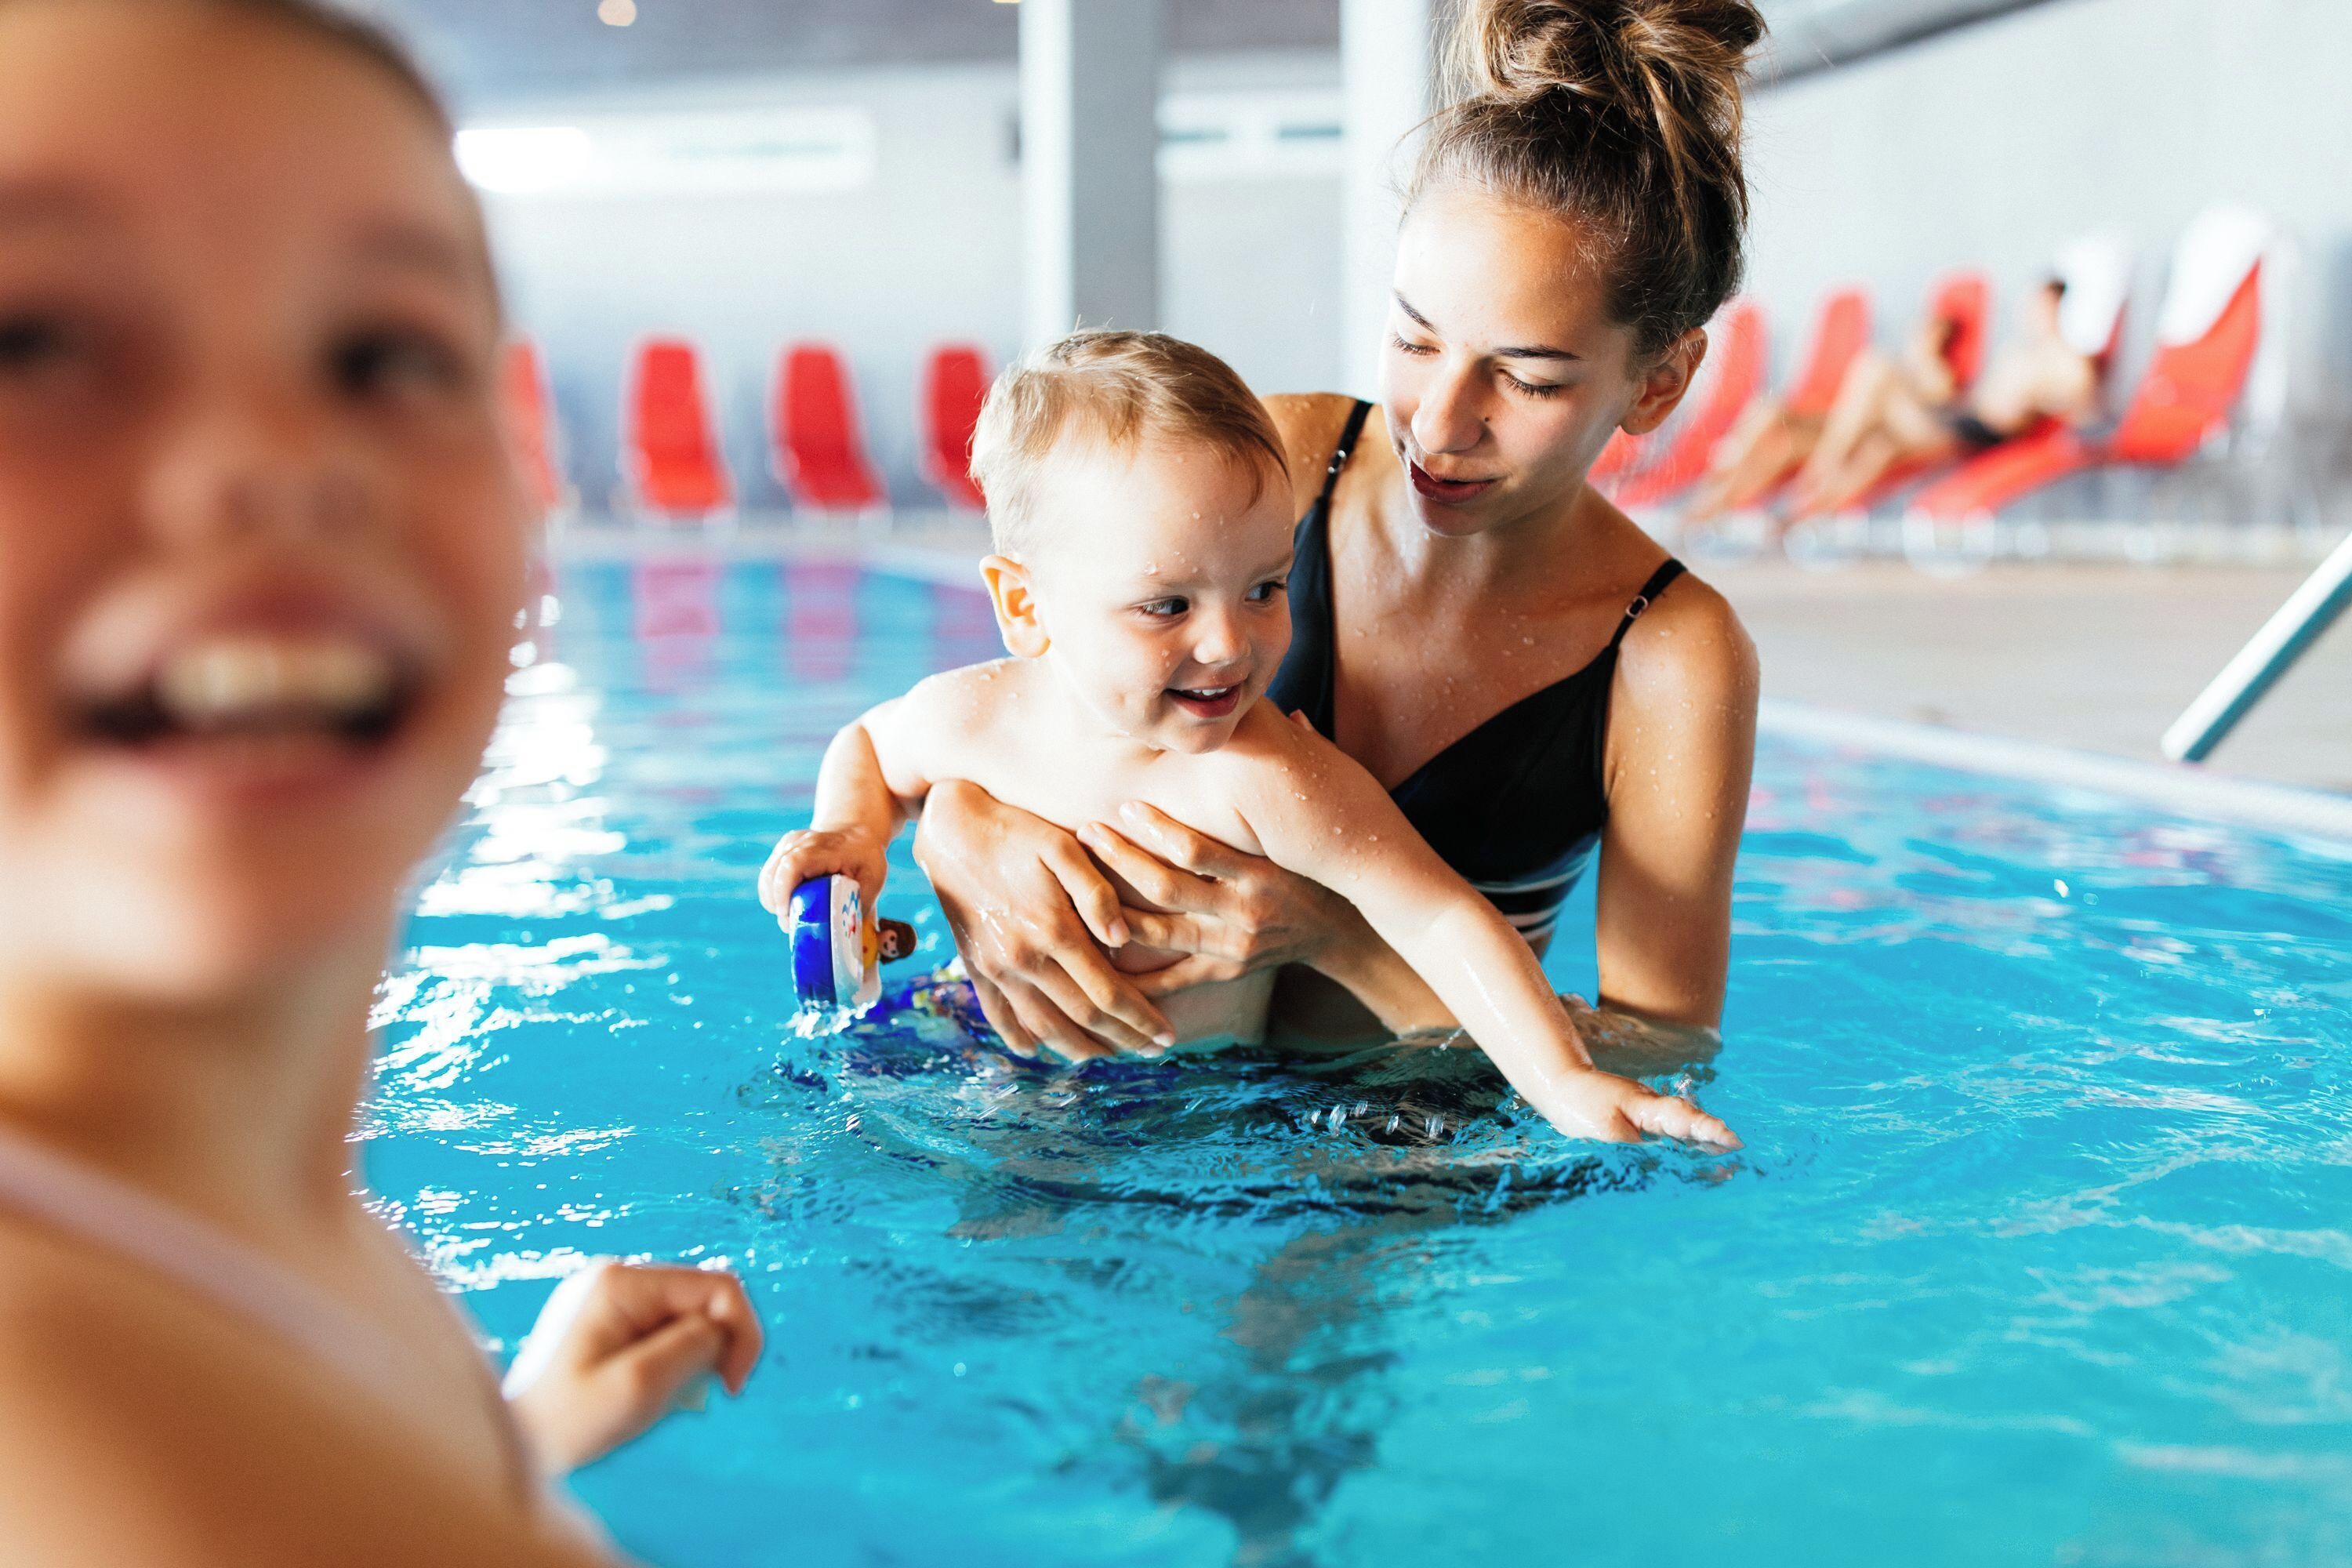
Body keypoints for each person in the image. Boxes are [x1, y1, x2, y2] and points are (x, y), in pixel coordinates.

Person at [0, 2, 760, 1562]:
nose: (269, 458)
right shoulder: (68, 1433)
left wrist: (504, 1448)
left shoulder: (269, 1229)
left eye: (384, 354)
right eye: (36, 343)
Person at [902, 0, 1766, 1065]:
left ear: (1662, 379)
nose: (1442, 427)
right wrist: (957, 827)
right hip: (1113, 1075)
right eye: (1414, 339)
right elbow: (1038, 688)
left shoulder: (1669, 655)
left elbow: (1663, 1049)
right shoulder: (1291, 455)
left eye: (1528, 377)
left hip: (1396, 1137)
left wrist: (1337, 940)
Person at [759, 331, 1737, 1149]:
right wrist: (848, 837)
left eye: (1266, 588)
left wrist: (1563, 1083)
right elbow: (869, 748)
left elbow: (1441, 917)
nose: (1229, 643)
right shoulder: (971, 716)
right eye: (1166, 604)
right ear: (1025, 604)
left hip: (1189, 1108)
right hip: (979, 1046)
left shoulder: (1267, 773)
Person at [1784, 278, 2097, 518]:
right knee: (1880, 444)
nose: (2030, 314)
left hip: (1976, 433)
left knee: (1876, 368)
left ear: (2058, 308)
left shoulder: (2066, 361)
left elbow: (2086, 408)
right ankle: (1812, 511)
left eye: (2039, 307)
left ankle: (1817, 474)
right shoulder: (2018, 352)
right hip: (1957, 418)